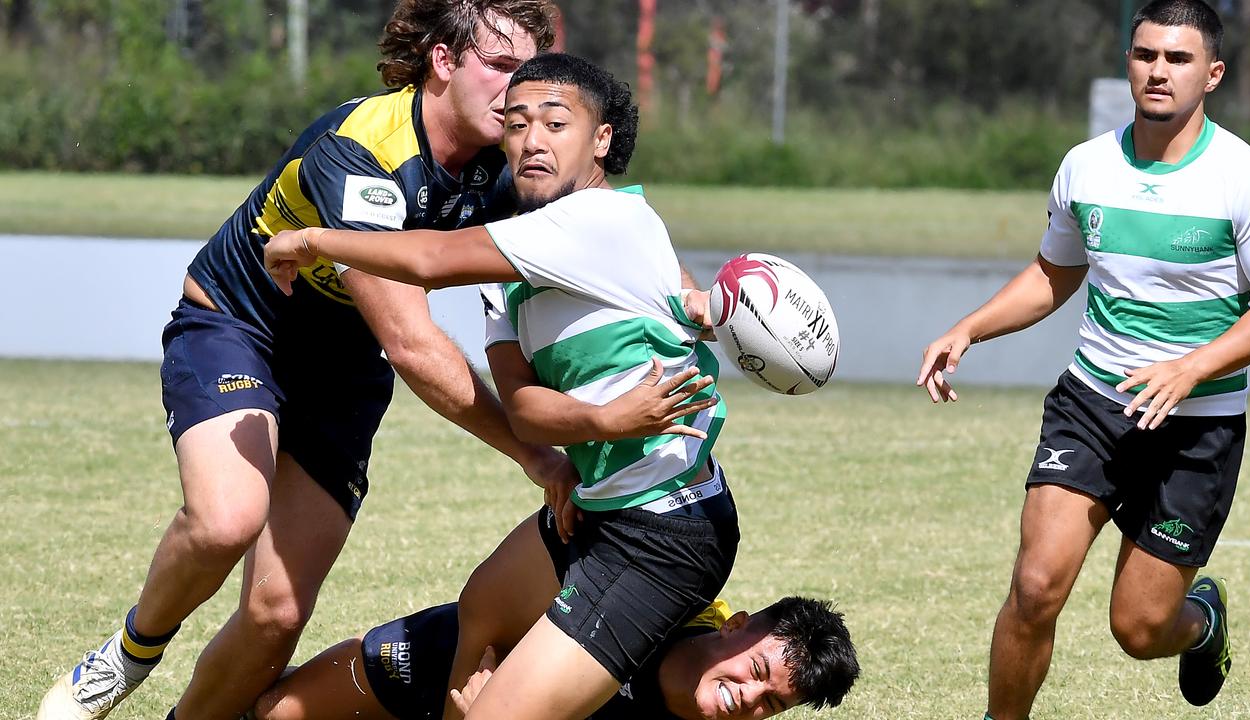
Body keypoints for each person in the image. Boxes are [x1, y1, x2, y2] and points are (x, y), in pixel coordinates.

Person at [37, 3, 569, 719]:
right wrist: (539, 457)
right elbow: (411, 342)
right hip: (240, 326)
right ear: (444, 61)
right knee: (227, 520)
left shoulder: (505, 165)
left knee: (277, 616)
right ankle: (127, 655)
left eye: (527, 74)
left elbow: (596, 227)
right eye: (500, 68)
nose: (517, 94)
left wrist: (691, 301)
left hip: (343, 368)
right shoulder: (364, 152)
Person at [262, 53, 751, 720]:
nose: (533, 140)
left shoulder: (598, 222)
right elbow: (525, 411)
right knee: (478, 622)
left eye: (557, 123)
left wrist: (316, 238)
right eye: (517, 124)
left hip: (668, 526)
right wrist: (602, 422)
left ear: (601, 139)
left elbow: (429, 260)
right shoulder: (513, 262)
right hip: (602, 511)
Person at [916, 1, 1250, 718]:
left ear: (1211, 74)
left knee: (1140, 630)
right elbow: (1054, 273)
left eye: (1177, 59)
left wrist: (1190, 368)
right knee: (1036, 586)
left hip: (1195, 428)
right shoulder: (1087, 167)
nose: (1158, 70)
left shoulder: (1249, 181)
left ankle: (1203, 623)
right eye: (1145, 54)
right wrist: (970, 329)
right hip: (1092, 405)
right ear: (1129, 61)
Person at [250, 509, 859, 720]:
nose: (749, 699)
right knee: (270, 715)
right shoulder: (657, 589)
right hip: (453, 662)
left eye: (771, 705)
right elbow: (493, 594)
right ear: (733, 625)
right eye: (756, 671)